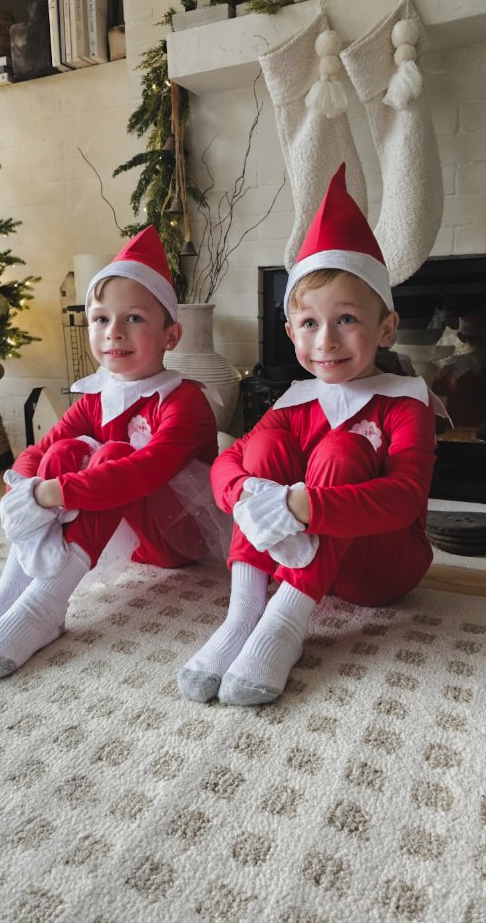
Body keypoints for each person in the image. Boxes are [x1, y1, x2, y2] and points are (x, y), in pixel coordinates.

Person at [178, 163, 447, 707]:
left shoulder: (404, 403)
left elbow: (403, 498)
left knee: (344, 448)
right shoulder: (295, 401)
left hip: (379, 569)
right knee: (264, 447)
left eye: (346, 319)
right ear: (290, 331)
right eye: (309, 323)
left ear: (386, 328)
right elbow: (229, 464)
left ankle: (285, 623)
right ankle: (244, 613)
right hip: (303, 557)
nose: (326, 341)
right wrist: (250, 492)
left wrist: (300, 505)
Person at [0, 226, 223, 681]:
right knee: (64, 450)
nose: (114, 333)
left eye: (134, 318)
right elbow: (38, 451)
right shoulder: (96, 396)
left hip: (177, 538)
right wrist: (25, 488)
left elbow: (144, 472)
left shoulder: (184, 400)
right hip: (123, 533)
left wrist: (49, 494)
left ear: (170, 336)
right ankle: (7, 596)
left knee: (113, 455)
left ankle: (44, 607)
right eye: (101, 319)